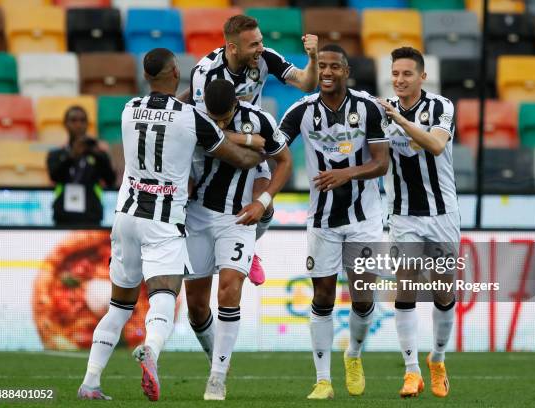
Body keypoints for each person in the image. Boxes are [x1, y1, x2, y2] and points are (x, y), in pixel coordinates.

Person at [77, 48, 263, 402]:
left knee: (119, 305)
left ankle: (91, 382)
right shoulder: (192, 118)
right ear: (176, 72)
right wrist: (259, 147)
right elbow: (236, 156)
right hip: (162, 222)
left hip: (125, 217)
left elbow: (160, 117)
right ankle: (151, 350)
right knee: (163, 298)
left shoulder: (128, 109)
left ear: (147, 76)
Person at [279, 44, 390, 400]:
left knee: (362, 295)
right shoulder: (301, 111)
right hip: (322, 219)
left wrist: (347, 174)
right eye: (321, 66)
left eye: (333, 67)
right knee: (323, 296)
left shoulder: (368, 108)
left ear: (346, 71)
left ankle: (354, 354)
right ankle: (323, 380)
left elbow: (381, 162)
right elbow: (273, 150)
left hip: (365, 217)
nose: (326, 72)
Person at [179, 14, 319, 285]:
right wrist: (245, 140)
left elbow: (306, 83)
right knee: (188, 199)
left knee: (265, 204)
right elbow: (199, 128)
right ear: (232, 48)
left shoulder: (265, 58)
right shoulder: (206, 72)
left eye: (260, 42)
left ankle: (248, 249)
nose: (260, 49)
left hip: (250, 139)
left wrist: (312, 59)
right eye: (253, 44)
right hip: (210, 147)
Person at [184, 79, 292, 400]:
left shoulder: (260, 119)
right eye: (211, 117)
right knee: (196, 306)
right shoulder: (191, 118)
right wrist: (243, 139)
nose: (216, 123)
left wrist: (264, 201)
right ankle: (215, 357)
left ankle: (216, 377)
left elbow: (283, 161)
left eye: (223, 116)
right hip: (197, 216)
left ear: (236, 104)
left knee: (229, 290)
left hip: (239, 217)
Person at [378, 46, 460, 399]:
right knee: (406, 287)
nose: (399, 80)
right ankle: (411, 371)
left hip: (442, 214)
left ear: (422, 77)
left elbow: (436, 145)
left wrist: (400, 121)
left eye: (407, 74)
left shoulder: (441, 107)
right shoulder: (381, 113)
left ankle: (437, 359)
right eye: (395, 73)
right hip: (403, 215)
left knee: (444, 291)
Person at [46, 106, 115, 226]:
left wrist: (95, 153)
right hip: (63, 216)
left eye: (82, 120)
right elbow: (54, 176)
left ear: (87, 124)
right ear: (65, 124)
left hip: (91, 215)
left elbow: (110, 180)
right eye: (73, 120)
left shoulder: (98, 154)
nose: (78, 125)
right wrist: (71, 156)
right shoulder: (56, 154)